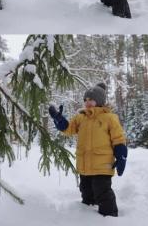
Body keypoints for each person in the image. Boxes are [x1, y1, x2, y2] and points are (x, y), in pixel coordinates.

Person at [48, 82, 128, 217]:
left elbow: (118, 139)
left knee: (102, 192)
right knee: (86, 191)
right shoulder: (81, 117)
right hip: (84, 165)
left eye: (91, 99)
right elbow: (68, 129)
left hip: (102, 166)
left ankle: (110, 217)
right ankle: (87, 218)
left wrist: (121, 156)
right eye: (85, 100)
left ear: (100, 101)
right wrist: (58, 118)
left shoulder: (109, 118)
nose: (87, 102)